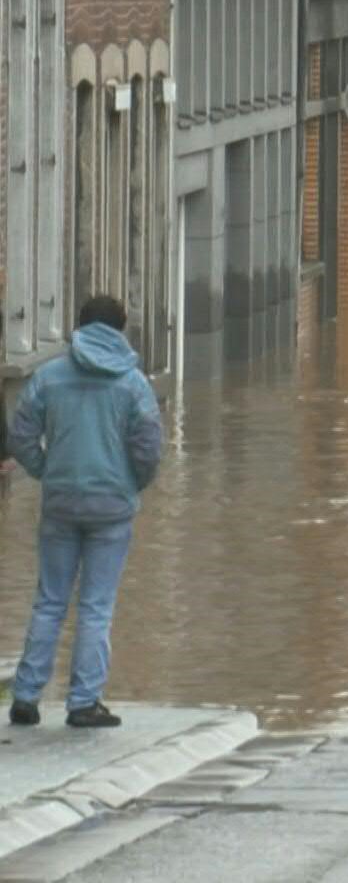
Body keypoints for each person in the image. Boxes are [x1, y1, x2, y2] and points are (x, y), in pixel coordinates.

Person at [7, 295, 164, 730]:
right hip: (112, 508)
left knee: (50, 601)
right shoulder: (133, 383)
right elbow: (150, 447)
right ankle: (83, 702)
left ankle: (25, 696)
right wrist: (133, 483)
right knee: (96, 606)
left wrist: (46, 470)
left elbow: (20, 436)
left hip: (59, 502)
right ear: (120, 329)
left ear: (78, 326)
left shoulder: (48, 376)